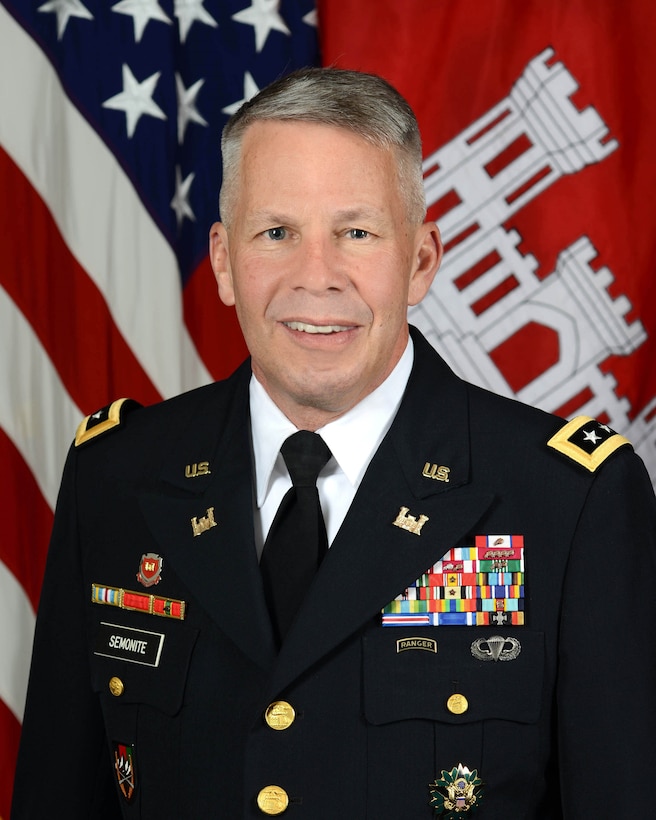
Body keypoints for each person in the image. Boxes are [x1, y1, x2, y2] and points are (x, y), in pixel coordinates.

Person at [11, 68, 656, 819]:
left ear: (420, 260)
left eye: (356, 232)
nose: (316, 277)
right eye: (276, 232)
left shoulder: (570, 502)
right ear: (223, 261)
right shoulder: (117, 478)